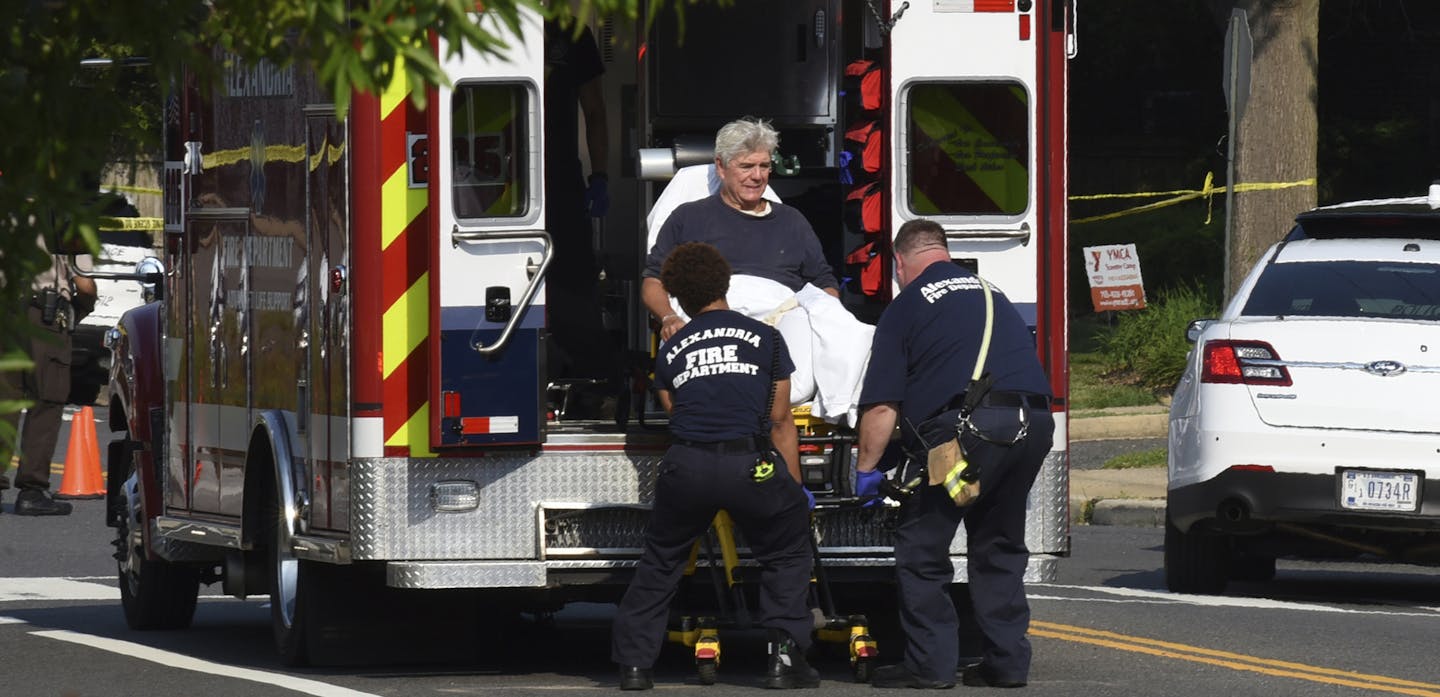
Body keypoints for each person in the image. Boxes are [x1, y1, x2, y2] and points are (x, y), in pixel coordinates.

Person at [852, 219, 1054, 689]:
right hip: (1032, 424)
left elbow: (883, 407)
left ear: (901, 263)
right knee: (998, 546)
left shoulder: (906, 306)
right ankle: (1006, 664)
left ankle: (929, 666)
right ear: (943, 252)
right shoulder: (993, 292)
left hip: (964, 434)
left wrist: (865, 471)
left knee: (922, 547)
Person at [610, 242, 819, 691]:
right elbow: (781, 420)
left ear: (680, 297)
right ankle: (783, 660)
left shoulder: (670, 350)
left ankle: (633, 666)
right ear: (725, 284)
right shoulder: (766, 338)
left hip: (687, 465)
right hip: (750, 463)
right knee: (786, 552)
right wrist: (794, 492)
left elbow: (677, 411)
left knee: (661, 561)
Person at [642, 117, 839, 342]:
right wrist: (668, 318)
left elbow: (824, 284)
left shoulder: (792, 221)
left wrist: (826, 320)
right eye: (746, 166)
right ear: (721, 167)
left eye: (764, 166)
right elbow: (653, 280)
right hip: (708, 334)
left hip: (781, 332)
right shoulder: (687, 218)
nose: (757, 176)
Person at [1, 235, 97, 516]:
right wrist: (81, 308)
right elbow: (84, 284)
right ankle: (32, 490)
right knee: (46, 400)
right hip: (43, 315)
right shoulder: (63, 211)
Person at [543, 19, 616, 387]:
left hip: (556, 180)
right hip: (495, 177)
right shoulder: (480, 23)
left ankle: (589, 382)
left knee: (572, 281)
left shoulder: (571, 35)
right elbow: (595, 110)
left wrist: (599, 176)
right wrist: (599, 176)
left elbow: (596, 111)